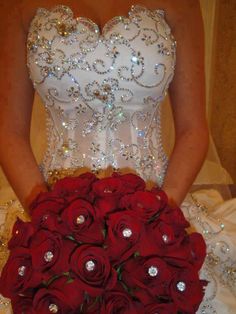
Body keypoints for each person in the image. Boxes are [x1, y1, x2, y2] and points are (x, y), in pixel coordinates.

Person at [0, 0, 235, 313]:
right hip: (50, 212)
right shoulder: (17, 6)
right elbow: (9, 132)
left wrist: (157, 225)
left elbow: (193, 130)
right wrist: (51, 226)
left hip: (160, 206)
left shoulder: (181, 5)